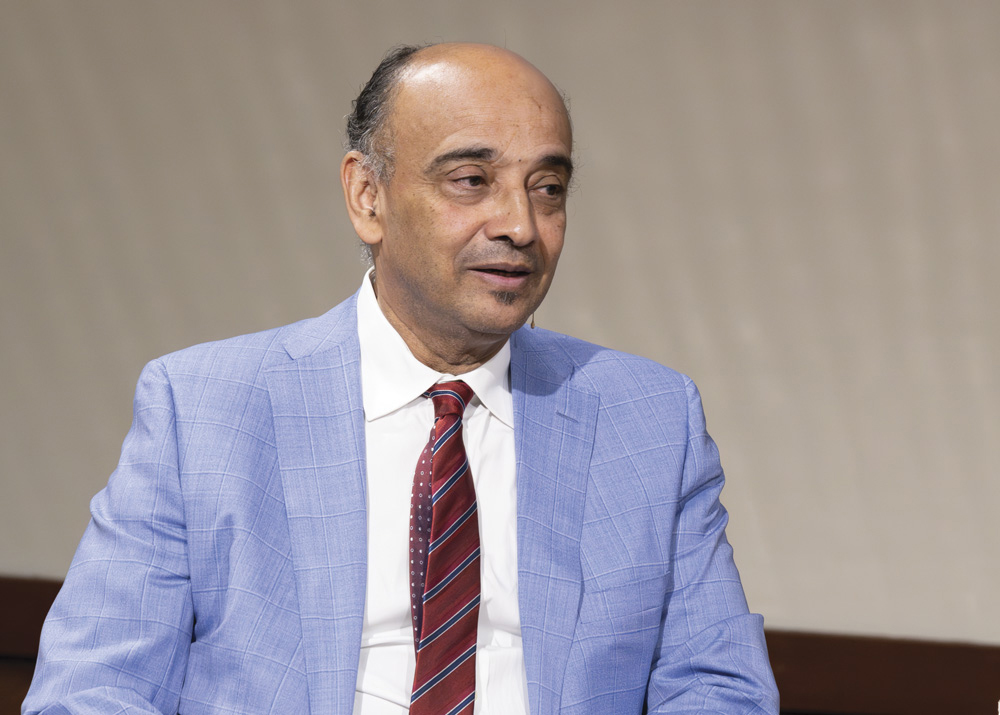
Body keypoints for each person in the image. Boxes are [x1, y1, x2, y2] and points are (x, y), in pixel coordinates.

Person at [23, 43, 778, 714]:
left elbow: (719, 685)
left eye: (548, 187)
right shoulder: (206, 408)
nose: (520, 223)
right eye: (472, 179)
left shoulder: (647, 420)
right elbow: (91, 686)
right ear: (367, 196)